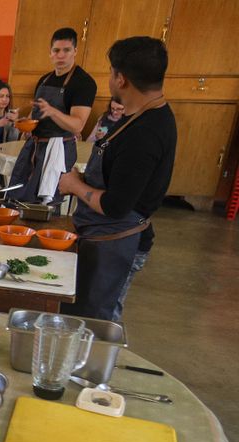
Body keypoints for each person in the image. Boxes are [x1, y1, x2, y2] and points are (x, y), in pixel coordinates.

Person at [58, 36, 176, 321]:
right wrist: (85, 177)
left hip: (117, 240)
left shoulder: (145, 133)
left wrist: (74, 185)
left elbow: (115, 206)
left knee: (97, 321)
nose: (109, 78)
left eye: (111, 72)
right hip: (100, 236)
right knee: (81, 313)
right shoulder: (138, 116)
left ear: (121, 79)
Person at [7, 27, 96, 205]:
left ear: (75, 52)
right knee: (18, 196)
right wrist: (22, 122)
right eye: (56, 51)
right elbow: (36, 114)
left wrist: (53, 112)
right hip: (34, 146)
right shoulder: (44, 80)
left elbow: (77, 125)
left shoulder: (84, 83)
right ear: (50, 53)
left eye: (66, 50)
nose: (61, 55)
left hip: (59, 150)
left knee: (46, 205)